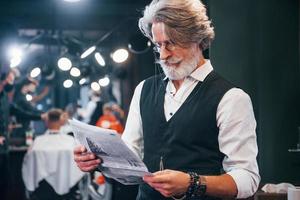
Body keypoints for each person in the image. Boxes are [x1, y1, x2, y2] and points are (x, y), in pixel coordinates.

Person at [74, 0, 260, 199]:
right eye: (158, 45)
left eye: (170, 43)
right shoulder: (143, 89)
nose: (162, 55)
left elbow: (247, 178)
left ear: (196, 38)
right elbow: (131, 163)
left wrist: (192, 183)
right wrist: (99, 162)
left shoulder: (231, 98)